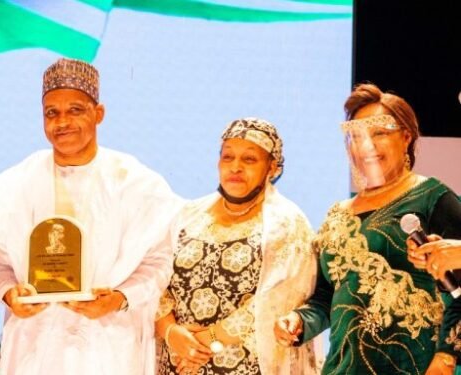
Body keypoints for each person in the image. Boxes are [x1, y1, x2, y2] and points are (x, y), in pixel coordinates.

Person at [0, 58, 182, 374]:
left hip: (108, 343)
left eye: (75, 110)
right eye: (51, 113)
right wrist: (10, 294)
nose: (62, 122)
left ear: (99, 114)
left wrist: (119, 299)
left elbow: (157, 265)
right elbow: (0, 263)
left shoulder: (137, 184)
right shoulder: (14, 185)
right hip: (36, 344)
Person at [274, 83, 461, 375]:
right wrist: (301, 321)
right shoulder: (338, 213)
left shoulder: (433, 198)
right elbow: (327, 296)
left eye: (379, 133)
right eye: (356, 137)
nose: (366, 146)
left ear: (406, 137)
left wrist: (447, 357)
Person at [155, 118, 320, 375]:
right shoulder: (188, 214)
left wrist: (204, 342)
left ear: (272, 168)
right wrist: (170, 331)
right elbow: (157, 279)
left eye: (249, 159)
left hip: (246, 366)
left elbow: (277, 301)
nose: (235, 167)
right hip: (178, 362)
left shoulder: (287, 223)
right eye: (228, 157)